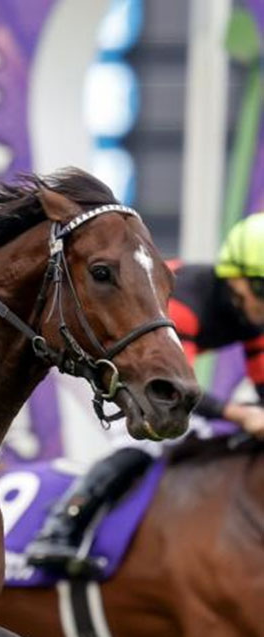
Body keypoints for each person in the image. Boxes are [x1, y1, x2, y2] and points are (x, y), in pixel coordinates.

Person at [25, 210, 264, 575]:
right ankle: (60, 526)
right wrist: (242, 414)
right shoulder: (187, 300)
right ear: (234, 277)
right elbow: (172, 389)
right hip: (102, 360)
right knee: (149, 442)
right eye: (262, 288)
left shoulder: (251, 316)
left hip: (150, 369)